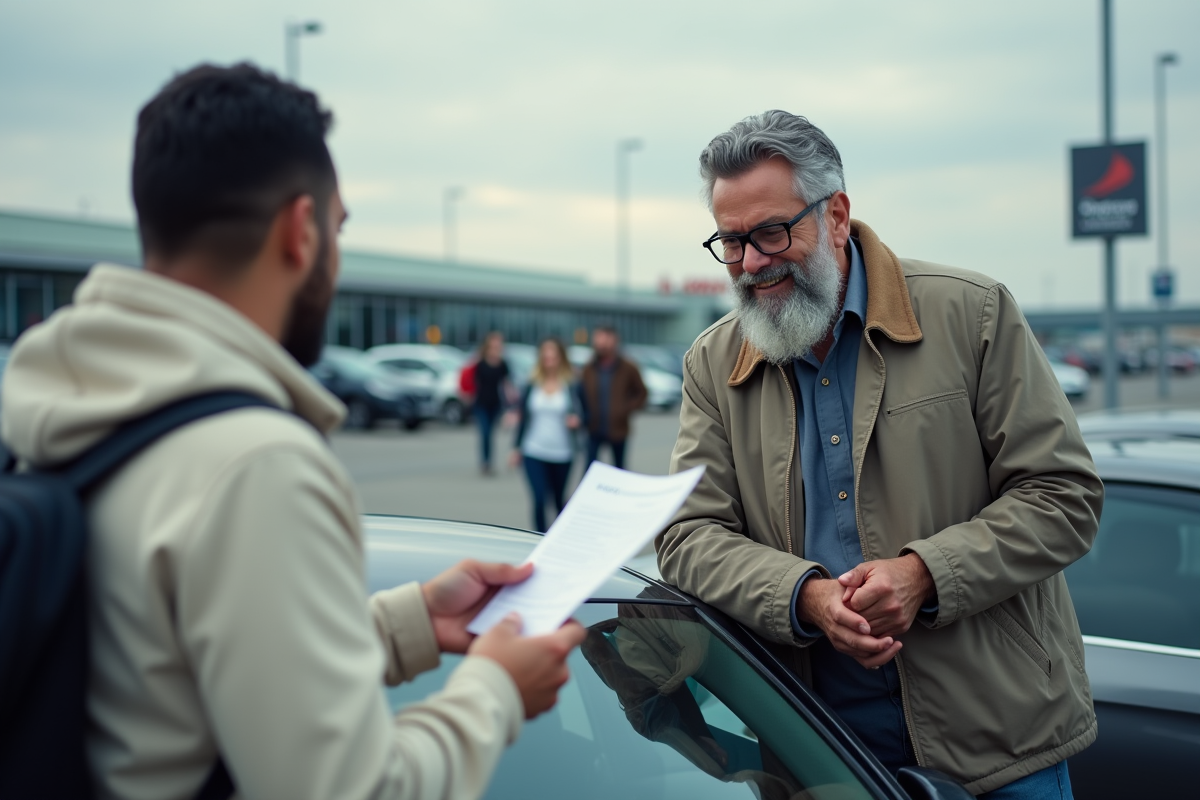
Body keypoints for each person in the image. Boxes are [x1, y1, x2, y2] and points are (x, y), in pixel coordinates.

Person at [0, 63, 585, 800]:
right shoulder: (256, 464)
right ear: (300, 230)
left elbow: (157, 666)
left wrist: (411, 622)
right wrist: (496, 691)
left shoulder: (72, 404)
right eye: (338, 229)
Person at [656, 110, 1103, 798]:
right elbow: (687, 537)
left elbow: (1063, 498)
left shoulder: (972, 314)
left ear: (836, 214)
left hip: (1001, 748)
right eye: (732, 240)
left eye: (772, 233)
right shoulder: (712, 365)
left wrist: (925, 575)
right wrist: (804, 596)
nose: (750, 263)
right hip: (821, 752)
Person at [509, 338, 581, 532]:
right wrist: (515, 448)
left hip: (562, 452)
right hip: (533, 450)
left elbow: (586, 413)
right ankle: (538, 537)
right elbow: (523, 417)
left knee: (558, 500)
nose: (549, 359)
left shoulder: (571, 384)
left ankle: (558, 539)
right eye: (545, 355)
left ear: (561, 358)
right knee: (540, 498)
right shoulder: (532, 383)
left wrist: (577, 420)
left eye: (553, 355)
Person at [579, 326, 647, 470]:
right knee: (589, 468)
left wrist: (625, 409)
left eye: (605, 338)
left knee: (619, 469)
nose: (601, 343)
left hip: (618, 428)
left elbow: (642, 392)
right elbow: (580, 394)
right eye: (598, 338)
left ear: (615, 340)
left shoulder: (628, 367)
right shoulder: (589, 368)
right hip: (594, 427)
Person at [472, 331, 512, 475]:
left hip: (496, 403)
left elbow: (506, 384)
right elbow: (473, 382)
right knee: (485, 432)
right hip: (481, 403)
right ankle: (485, 462)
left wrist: (510, 402)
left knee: (491, 434)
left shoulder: (502, 364)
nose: (496, 347)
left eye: (498, 344)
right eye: (494, 344)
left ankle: (489, 461)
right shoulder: (480, 363)